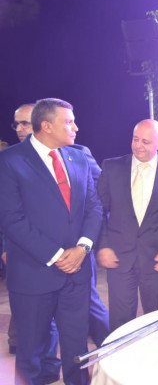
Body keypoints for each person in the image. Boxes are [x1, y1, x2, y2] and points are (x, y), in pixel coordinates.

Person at [0, 98, 102, 385]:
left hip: (77, 274)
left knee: (78, 352)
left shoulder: (78, 158)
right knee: (30, 355)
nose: (76, 127)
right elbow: (11, 219)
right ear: (46, 126)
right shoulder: (9, 161)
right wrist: (57, 255)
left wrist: (83, 248)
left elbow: (94, 207)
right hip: (33, 275)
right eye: (68, 122)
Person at [97, 119, 158, 331]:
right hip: (119, 258)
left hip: (156, 258)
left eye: (146, 142)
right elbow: (98, 211)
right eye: (135, 139)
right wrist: (103, 245)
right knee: (120, 322)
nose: (138, 145)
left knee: (155, 322)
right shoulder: (112, 167)